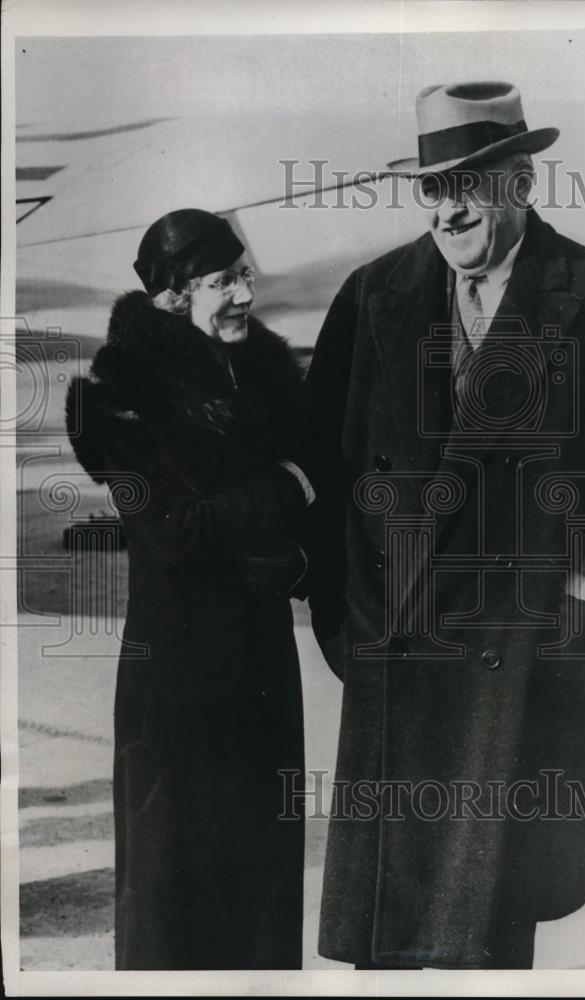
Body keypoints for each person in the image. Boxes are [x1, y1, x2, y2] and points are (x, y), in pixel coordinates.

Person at [306, 81, 585, 969]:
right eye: (432, 188)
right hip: (398, 664)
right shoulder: (375, 296)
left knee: (482, 940)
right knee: (394, 941)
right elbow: (322, 473)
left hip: (516, 667)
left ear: (519, 184)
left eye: (467, 187)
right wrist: (347, 626)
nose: (447, 211)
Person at [66, 208, 312, 970]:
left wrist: (298, 554)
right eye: (221, 281)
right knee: (181, 886)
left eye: (244, 275)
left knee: (263, 875)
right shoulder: (119, 397)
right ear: (173, 297)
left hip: (263, 669)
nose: (244, 294)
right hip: (179, 680)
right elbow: (172, 528)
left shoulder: (260, 371)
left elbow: (315, 490)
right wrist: (281, 487)